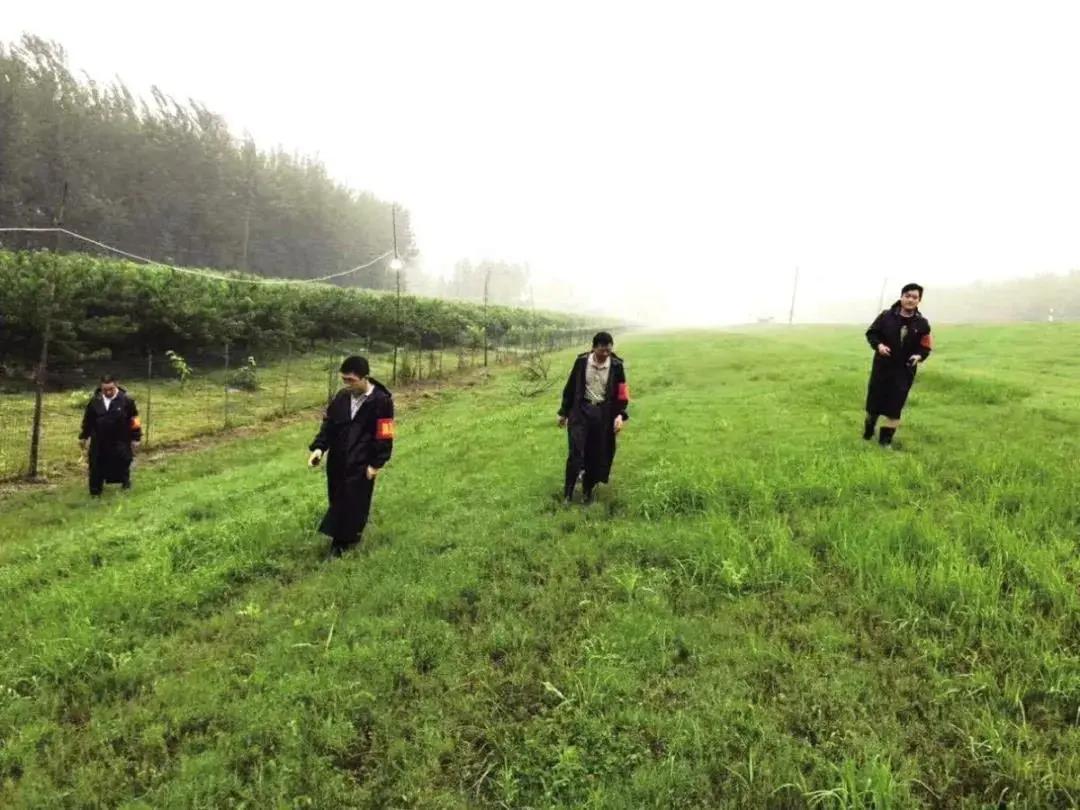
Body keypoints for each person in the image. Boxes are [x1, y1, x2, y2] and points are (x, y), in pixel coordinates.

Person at [308, 356, 395, 557]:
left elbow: (385, 435)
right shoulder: (342, 397)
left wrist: (376, 464)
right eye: (344, 380)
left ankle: (340, 545)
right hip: (338, 460)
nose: (347, 384)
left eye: (351, 380)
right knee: (337, 498)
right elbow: (329, 425)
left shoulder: (382, 401)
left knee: (354, 501)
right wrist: (319, 448)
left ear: (364, 378)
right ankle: (347, 538)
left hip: (362, 462)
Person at [558, 331, 630, 504]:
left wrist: (620, 415)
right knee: (575, 452)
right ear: (593, 348)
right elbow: (570, 387)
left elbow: (622, 393)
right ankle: (567, 494)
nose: (605, 355)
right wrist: (563, 412)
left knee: (593, 454)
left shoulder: (616, 365)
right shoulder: (582, 362)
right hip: (580, 411)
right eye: (601, 351)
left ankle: (586, 493)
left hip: (602, 414)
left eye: (608, 351)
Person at [863, 283, 933, 447]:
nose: (910, 299)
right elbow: (872, 333)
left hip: (904, 371)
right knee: (874, 405)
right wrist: (879, 346)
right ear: (901, 297)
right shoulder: (886, 316)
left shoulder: (922, 323)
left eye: (914, 297)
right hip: (882, 367)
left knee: (895, 406)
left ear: (919, 300)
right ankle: (868, 431)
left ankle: (884, 443)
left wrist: (919, 355)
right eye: (907, 296)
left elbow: (926, 345)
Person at [79, 374, 141, 496]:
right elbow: (88, 420)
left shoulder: (126, 401)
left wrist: (136, 437)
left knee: (122, 462)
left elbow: (134, 420)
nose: (108, 392)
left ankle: (125, 485)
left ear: (116, 385)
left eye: (111, 389)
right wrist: (83, 436)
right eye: (105, 390)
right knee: (96, 465)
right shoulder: (94, 402)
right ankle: (95, 492)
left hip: (120, 438)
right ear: (101, 388)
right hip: (99, 439)